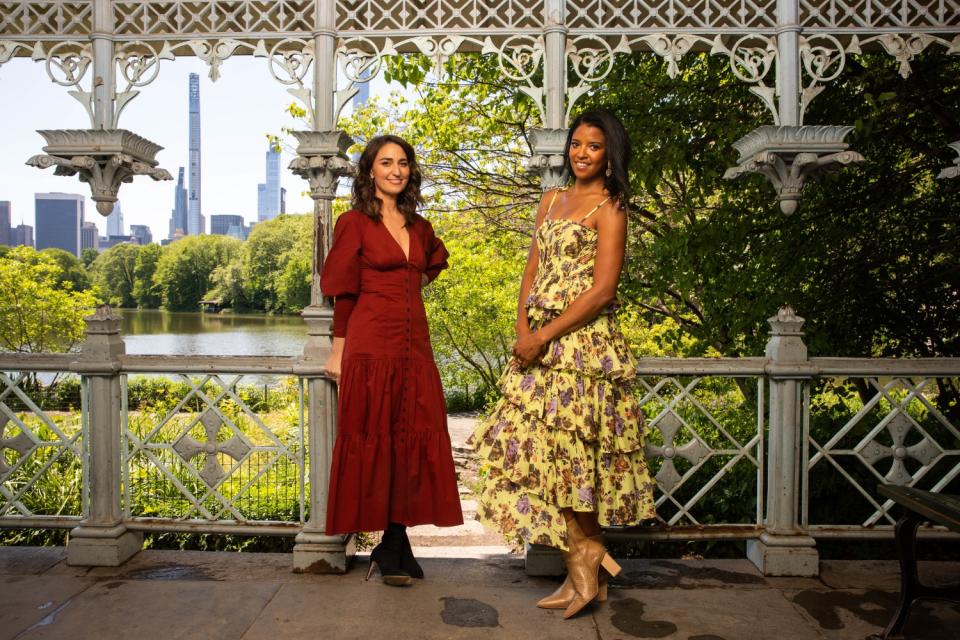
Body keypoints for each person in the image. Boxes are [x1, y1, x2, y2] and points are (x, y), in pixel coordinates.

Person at [469, 109, 656, 617]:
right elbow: (532, 270)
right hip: (540, 345)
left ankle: (586, 566)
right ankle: (585, 567)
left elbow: (602, 291)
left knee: (576, 457)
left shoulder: (611, 206)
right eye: (576, 143)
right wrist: (522, 330)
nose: (581, 152)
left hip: (583, 348)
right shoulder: (550, 200)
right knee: (546, 457)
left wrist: (546, 335)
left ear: (608, 154)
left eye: (593, 146)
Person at [321, 134, 463, 586]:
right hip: (370, 346)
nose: (396, 170)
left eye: (403, 163)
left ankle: (394, 542)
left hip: (413, 346)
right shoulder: (354, 223)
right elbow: (344, 291)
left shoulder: (420, 228)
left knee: (408, 437)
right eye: (386, 163)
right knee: (376, 433)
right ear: (369, 172)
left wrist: (408, 289)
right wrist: (339, 349)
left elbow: (431, 267)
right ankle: (392, 546)